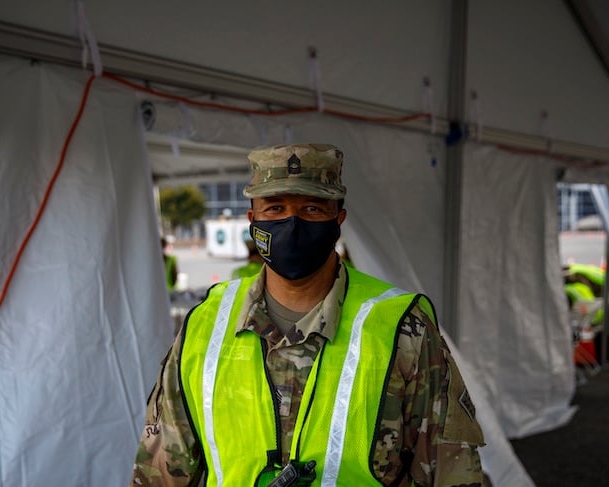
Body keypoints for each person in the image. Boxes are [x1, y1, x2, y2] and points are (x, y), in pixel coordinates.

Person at [131, 144, 486, 486]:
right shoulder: (204, 326)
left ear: (339, 219)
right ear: (253, 220)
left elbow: (451, 472)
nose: (293, 224)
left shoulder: (401, 327)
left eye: (313, 209)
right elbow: (160, 472)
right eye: (275, 209)